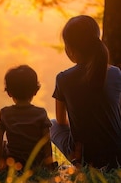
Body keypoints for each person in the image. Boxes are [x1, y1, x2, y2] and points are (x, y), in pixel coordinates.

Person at [50, 15, 121, 169]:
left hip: (84, 158)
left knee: (51, 124)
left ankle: (46, 165)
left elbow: (61, 121)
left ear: (70, 49)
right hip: (117, 156)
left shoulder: (63, 79)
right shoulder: (116, 73)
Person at [0, 65, 55, 171]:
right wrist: (49, 165)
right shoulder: (40, 113)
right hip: (36, 163)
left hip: (13, 163)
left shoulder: (5, 113)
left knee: (5, 145)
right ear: (35, 91)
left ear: (9, 92)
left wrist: (0, 164)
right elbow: (46, 141)